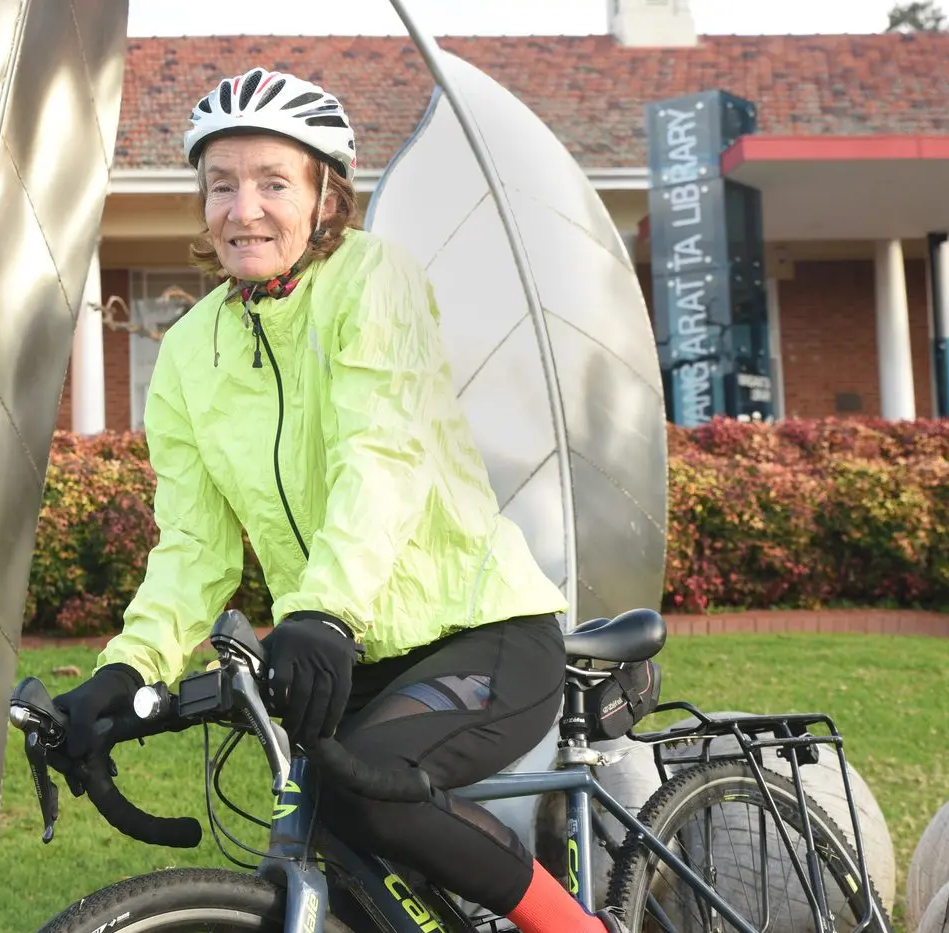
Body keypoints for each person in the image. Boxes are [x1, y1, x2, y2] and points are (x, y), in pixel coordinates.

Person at [52, 67, 622, 933]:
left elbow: (381, 456)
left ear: (324, 197)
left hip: (481, 633)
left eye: (274, 183)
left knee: (370, 799)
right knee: (335, 839)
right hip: (347, 650)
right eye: (222, 185)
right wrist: (127, 672)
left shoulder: (373, 281)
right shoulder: (188, 353)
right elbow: (194, 547)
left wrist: (321, 612)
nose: (244, 209)